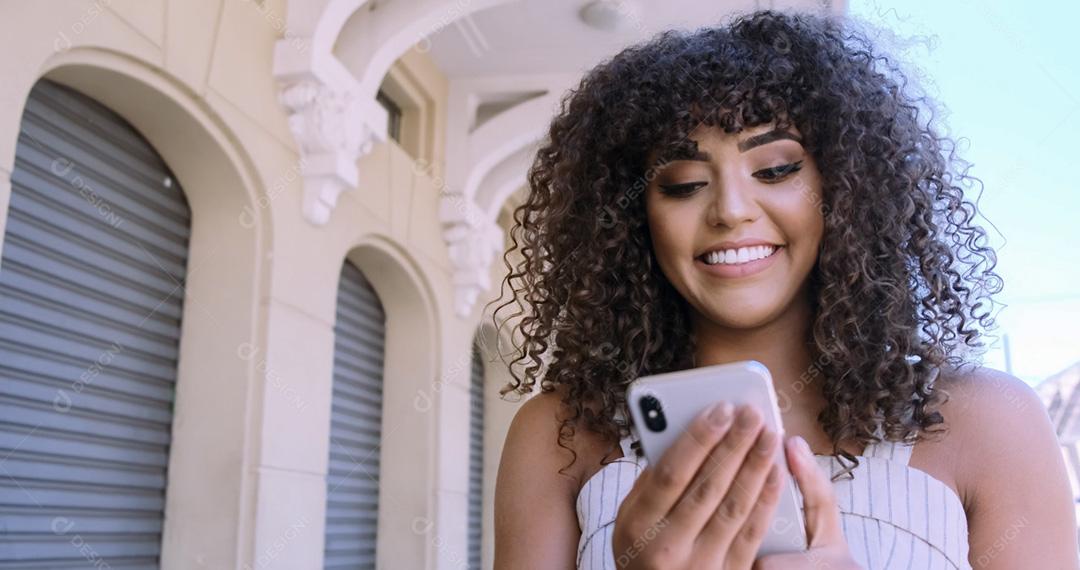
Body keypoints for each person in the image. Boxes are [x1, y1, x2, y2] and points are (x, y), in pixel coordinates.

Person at [490, 8, 1079, 570]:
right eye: (683, 183)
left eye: (774, 170)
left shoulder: (989, 422)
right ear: (632, 216)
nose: (730, 211)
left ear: (847, 190)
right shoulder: (561, 437)